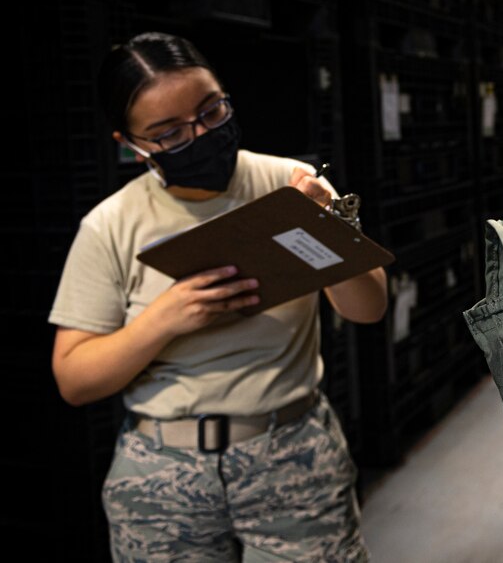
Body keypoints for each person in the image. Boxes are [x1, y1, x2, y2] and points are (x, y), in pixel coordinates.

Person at [49, 32, 388, 562]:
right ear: (131, 144)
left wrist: (317, 228)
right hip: (161, 475)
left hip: (292, 452)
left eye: (210, 112)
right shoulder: (109, 226)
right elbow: (73, 378)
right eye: (170, 134)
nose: (200, 135)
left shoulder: (288, 182)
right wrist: (162, 320)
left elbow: (369, 308)